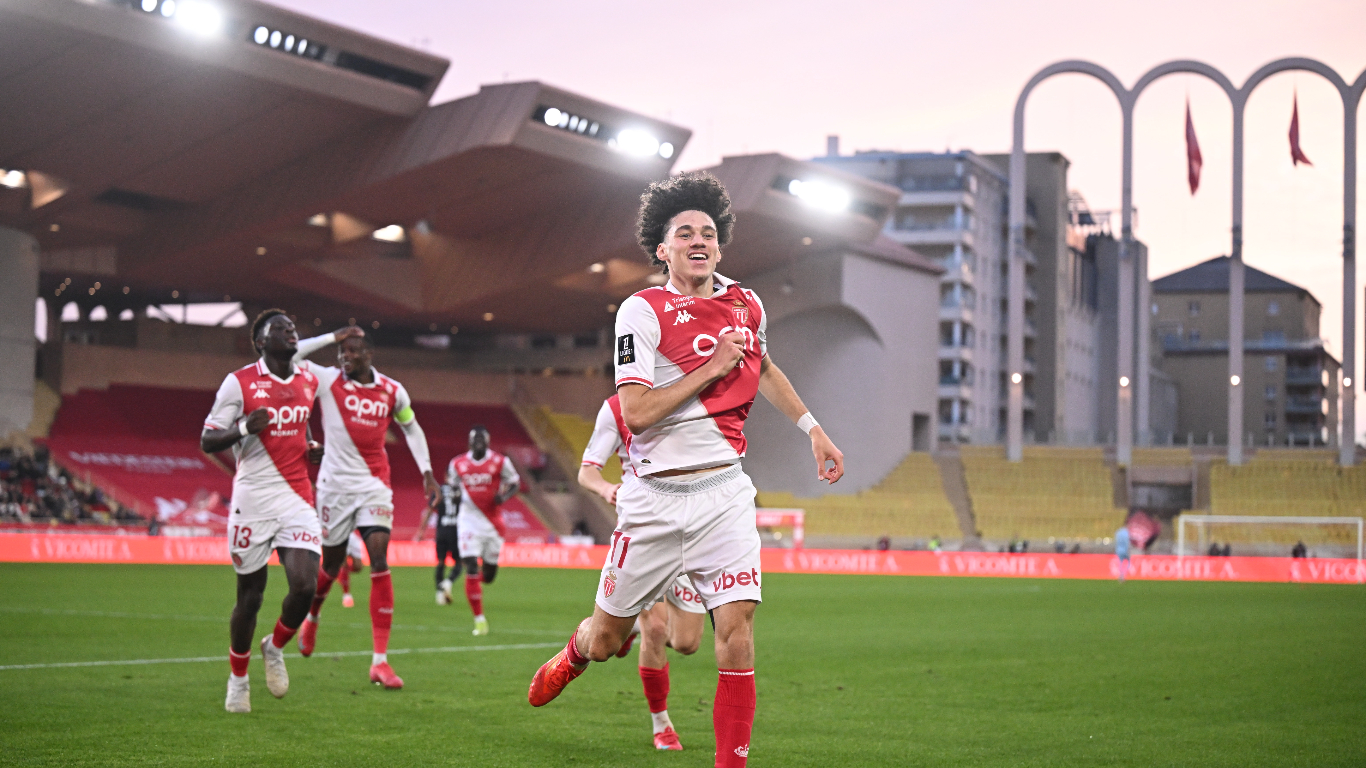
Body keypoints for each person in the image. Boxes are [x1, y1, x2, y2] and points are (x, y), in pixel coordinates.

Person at [527, 172, 845, 768]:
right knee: (607, 641)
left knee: (735, 633)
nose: (699, 240)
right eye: (684, 233)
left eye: (708, 233)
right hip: (653, 499)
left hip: (724, 491)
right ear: (662, 249)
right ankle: (574, 653)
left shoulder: (747, 304)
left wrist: (813, 429)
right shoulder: (640, 311)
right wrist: (712, 367)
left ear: (719, 246)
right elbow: (637, 413)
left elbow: (764, 368)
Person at [289, 328, 441, 690]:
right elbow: (291, 355)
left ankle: (379, 661)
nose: (345, 355)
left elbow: (412, 428)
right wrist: (332, 336)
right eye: (342, 350)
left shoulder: (392, 390)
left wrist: (427, 472)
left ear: (369, 354)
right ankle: (313, 616)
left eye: (353, 350)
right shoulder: (327, 380)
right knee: (331, 564)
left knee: (379, 558)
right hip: (334, 489)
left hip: (374, 486)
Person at [201, 309, 324, 714]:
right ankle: (238, 680)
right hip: (252, 499)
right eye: (281, 329)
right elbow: (207, 440)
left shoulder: (308, 380)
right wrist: (242, 429)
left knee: (305, 586)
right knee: (250, 598)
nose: (291, 333)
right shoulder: (238, 382)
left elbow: (302, 422)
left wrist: (311, 446)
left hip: (297, 497)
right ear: (261, 342)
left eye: (293, 328)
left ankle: (274, 646)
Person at [578, 394, 706, 751]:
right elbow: (587, 471)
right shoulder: (616, 408)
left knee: (687, 643)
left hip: (690, 528)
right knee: (657, 628)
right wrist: (606, 488)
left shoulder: (690, 396)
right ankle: (661, 724)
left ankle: (628, 625)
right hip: (644, 529)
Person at [447, 425, 520, 635]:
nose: (479, 443)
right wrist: (455, 495)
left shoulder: (500, 462)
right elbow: (453, 486)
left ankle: (474, 584)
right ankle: (479, 620)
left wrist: (503, 497)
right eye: (475, 440)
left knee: (489, 575)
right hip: (468, 521)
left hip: (492, 524)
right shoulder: (457, 463)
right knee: (470, 563)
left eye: (482, 440)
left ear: (487, 442)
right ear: (469, 442)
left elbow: (515, 483)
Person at [417, 476, 462, 605]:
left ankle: (439, 594)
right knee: (459, 562)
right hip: (457, 531)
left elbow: (430, 510)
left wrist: (421, 530)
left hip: (442, 531)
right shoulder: (461, 490)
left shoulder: (440, 490)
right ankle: (448, 582)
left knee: (441, 562)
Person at [338, 530, 367, 608]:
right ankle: (346, 595)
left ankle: (339, 573)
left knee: (358, 567)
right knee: (344, 564)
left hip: (353, 537)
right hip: (342, 534)